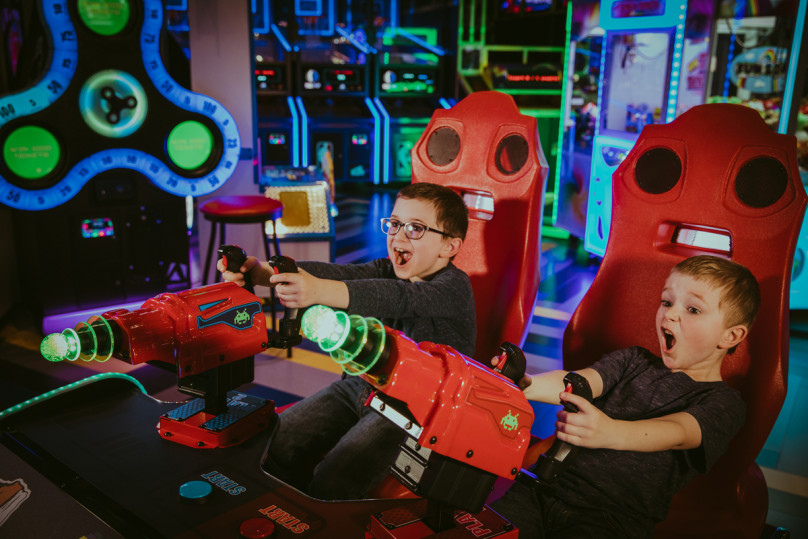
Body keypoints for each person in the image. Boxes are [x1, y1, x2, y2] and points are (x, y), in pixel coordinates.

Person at [218, 182, 475, 500]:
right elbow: (339, 274)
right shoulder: (387, 269)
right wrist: (260, 273)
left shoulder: (454, 288)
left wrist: (319, 292)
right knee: (274, 444)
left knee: (335, 479)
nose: (399, 236)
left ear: (449, 246)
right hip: (360, 385)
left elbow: (399, 299)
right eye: (394, 224)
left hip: (415, 408)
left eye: (416, 229)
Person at [489, 255, 757, 538]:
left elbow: (678, 431)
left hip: (612, 519)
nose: (670, 314)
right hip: (539, 492)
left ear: (731, 336)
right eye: (667, 302)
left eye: (692, 309)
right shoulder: (633, 360)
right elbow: (577, 382)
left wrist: (611, 431)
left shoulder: (724, 404)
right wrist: (524, 384)